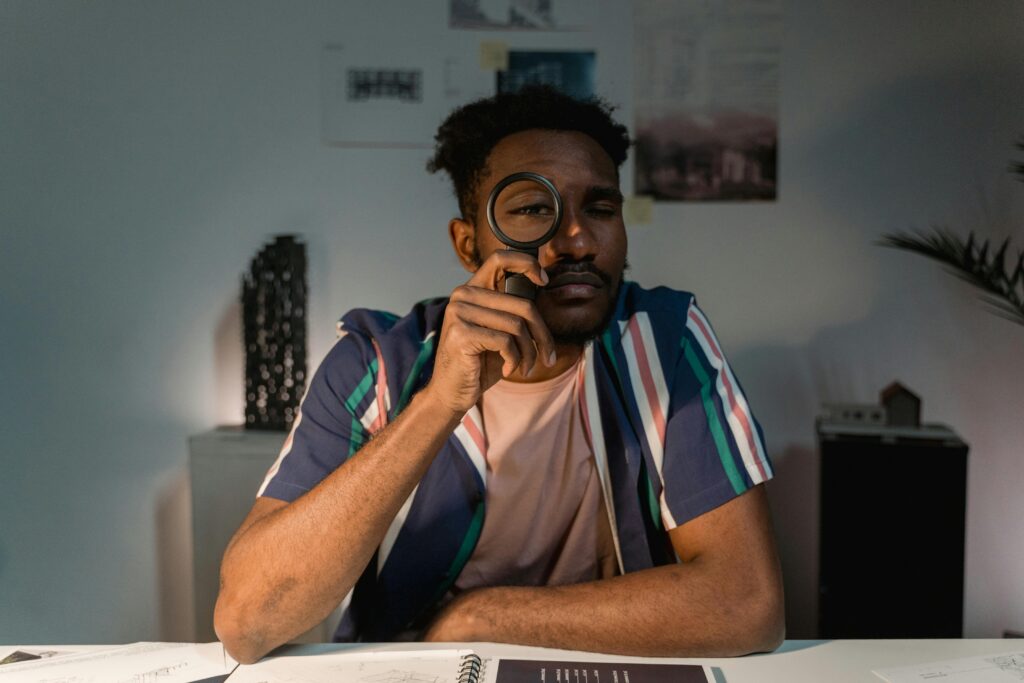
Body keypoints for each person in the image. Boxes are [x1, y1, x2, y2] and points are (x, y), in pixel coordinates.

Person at [214, 86, 784, 664]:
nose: (578, 240)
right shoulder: (378, 361)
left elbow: (745, 603)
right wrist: (440, 402)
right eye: (537, 209)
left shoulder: (666, 342)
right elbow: (248, 621)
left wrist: (481, 618)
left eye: (601, 209)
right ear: (469, 244)